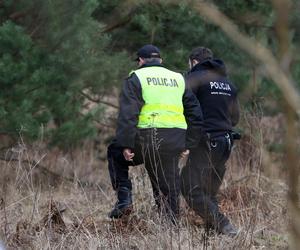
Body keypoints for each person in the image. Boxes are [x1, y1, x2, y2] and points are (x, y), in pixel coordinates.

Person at [107, 44, 204, 223]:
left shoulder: (136, 77)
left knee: (115, 152)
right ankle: (171, 225)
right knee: (169, 182)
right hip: (175, 139)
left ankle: (124, 200)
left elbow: (128, 114)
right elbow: (196, 114)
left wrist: (126, 144)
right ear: (161, 60)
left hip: (147, 138)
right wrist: (188, 144)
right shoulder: (178, 78)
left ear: (141, 61)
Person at [180, 47, 240, 235]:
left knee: (190, 188)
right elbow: (235, 118)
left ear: (194, 61)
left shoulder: (194, 79)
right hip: (226, 142)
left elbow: (184, 108)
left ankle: (224, 226)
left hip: (206, 141)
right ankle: (214, 232)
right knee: (208, 191)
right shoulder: (227, 83)